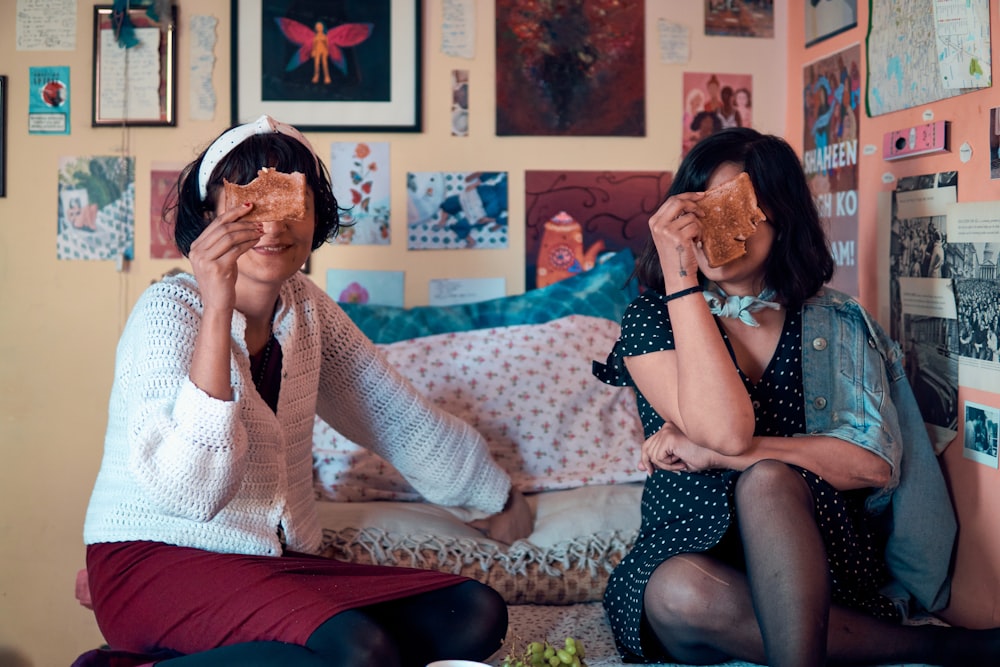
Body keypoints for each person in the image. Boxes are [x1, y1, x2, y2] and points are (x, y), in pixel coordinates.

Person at [79, 115, 532, 667]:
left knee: (475, 611)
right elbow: (190, 494)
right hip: (159, 556)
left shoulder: (308, 310)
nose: (271, 225)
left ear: (315, 219)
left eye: (292, 202)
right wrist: (218, 304)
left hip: (270, 561)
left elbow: (392, 413)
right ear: (207, 217)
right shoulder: (167, 312)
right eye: (247, 202)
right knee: (358, 652)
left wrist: (495, 497)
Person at [593, 127, 1000, 666]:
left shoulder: (834, 318)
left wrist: (718, 457)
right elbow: (724, 426)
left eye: (733, 208)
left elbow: (870, 466)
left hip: (813, 550)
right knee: (679, 591)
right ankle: (936, 647)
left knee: (767, 480)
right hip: (690, 547)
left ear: (780, 218)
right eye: (697, 211)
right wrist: (681, 279)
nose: (712, 228)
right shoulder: (652, 317)